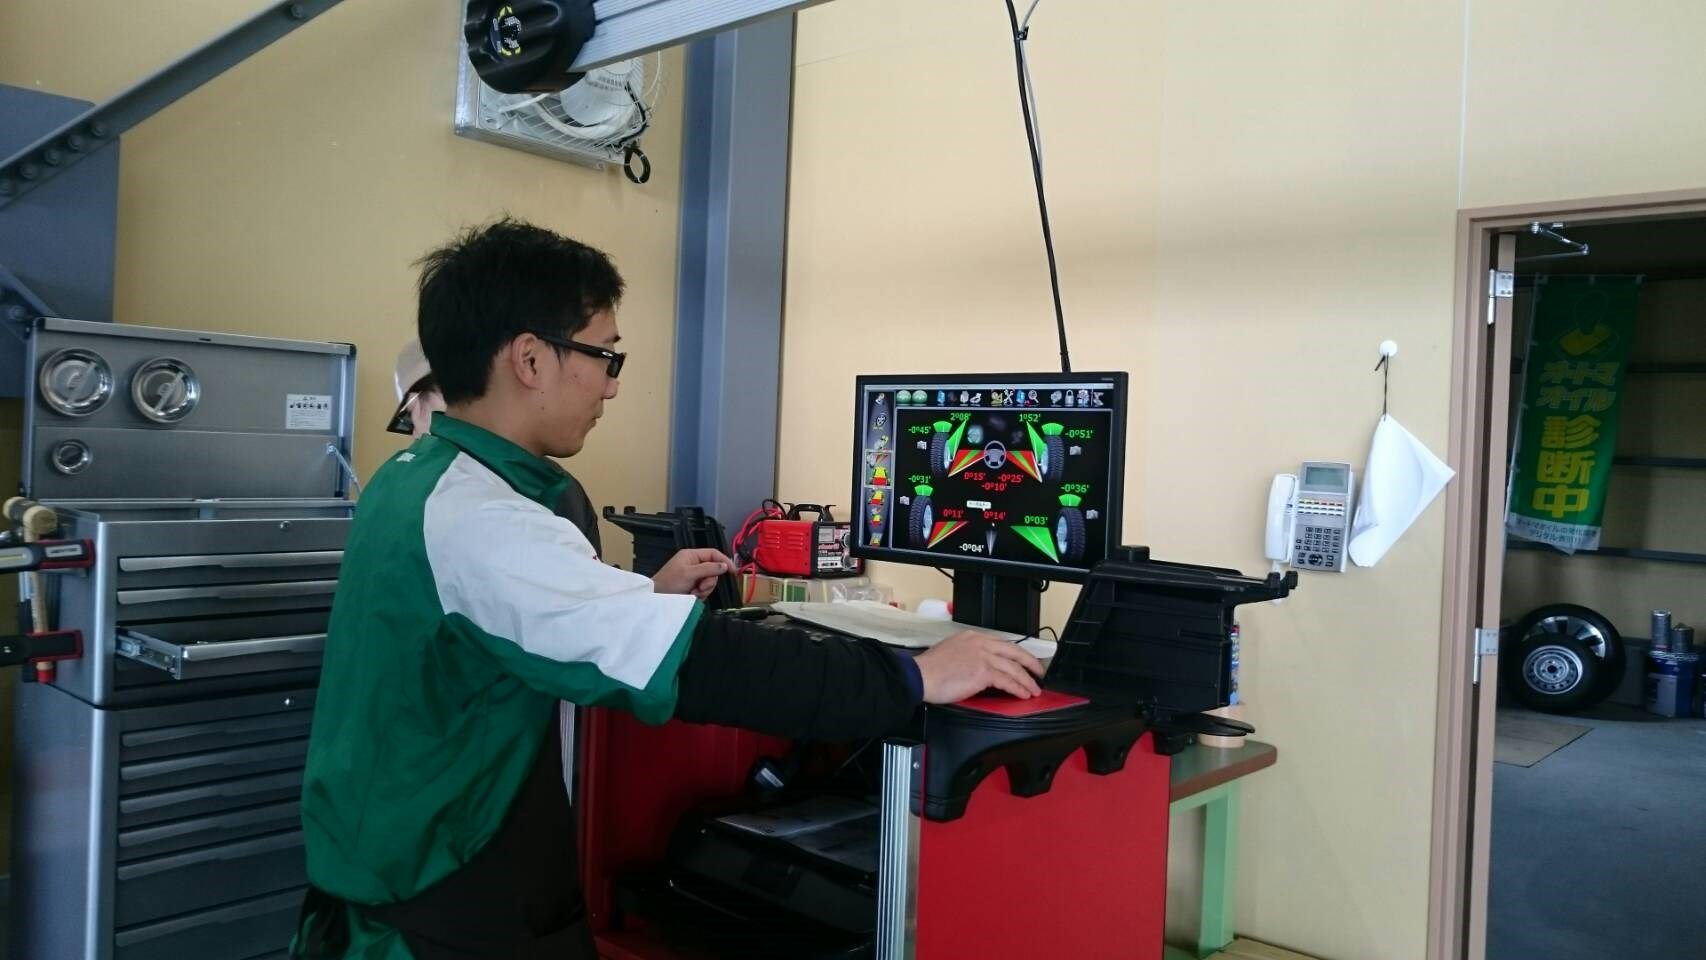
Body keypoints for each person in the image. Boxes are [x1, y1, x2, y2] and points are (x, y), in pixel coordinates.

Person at [294, 218, 1044, 960]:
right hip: (434, 894)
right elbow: (706, 664)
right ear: (530, 359)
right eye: (604, 356)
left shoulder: (415, 477)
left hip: (392, 852)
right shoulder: (485, 520)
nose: (613, 385)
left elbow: (491, 624)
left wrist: (639, 597)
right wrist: (914, 676)